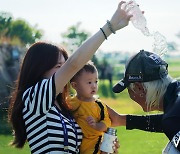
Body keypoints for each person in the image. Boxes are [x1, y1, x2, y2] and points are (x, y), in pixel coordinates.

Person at [8, 1, 132, 153]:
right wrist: (110, 27)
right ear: (40, 69)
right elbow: (74, 64)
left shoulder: (65, 108)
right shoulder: (34, 97)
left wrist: (101, 149)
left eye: (63, 66)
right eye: (59, 67)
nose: (67, 73)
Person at [108, 50, 180, 153]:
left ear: (139, 88)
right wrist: (121, 119)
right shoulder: (175, 103)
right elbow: (171, 120)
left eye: (129, 90)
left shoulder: (172, 119)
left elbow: (171, 121)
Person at [70, 61, 111, 154]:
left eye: (96, 81)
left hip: (94, 142)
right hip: (76, 143)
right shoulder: (70, 103)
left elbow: (107, 122)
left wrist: (96, 125)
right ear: (74, 85)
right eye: (89, 82)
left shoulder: (99, 105)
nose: (94, 86)